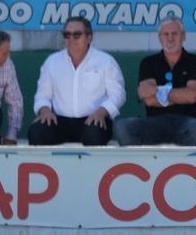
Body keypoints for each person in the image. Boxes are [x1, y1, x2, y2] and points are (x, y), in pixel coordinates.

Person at [28, 16, 125, 147]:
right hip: (59, 120)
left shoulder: (105, 61)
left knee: (94, 135)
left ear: (89, 37)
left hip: (93, 119)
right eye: (67, 35)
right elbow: (42, 95)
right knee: (37, 132)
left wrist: (102, 112)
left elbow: (118, 94)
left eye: (77, 35)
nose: (71, 39)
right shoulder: (52, 62)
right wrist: (44, 110)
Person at [115, 19, 196, 146]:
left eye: (174, 34)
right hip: (153, 122)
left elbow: (191, 96)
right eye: (166, 34)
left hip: (186, 122)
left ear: (183, 36)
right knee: (123, 127)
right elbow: (147, 97)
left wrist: (158, 92)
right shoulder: (148, 62)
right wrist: (181, 95)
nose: (170, 38)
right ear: (160, 37)